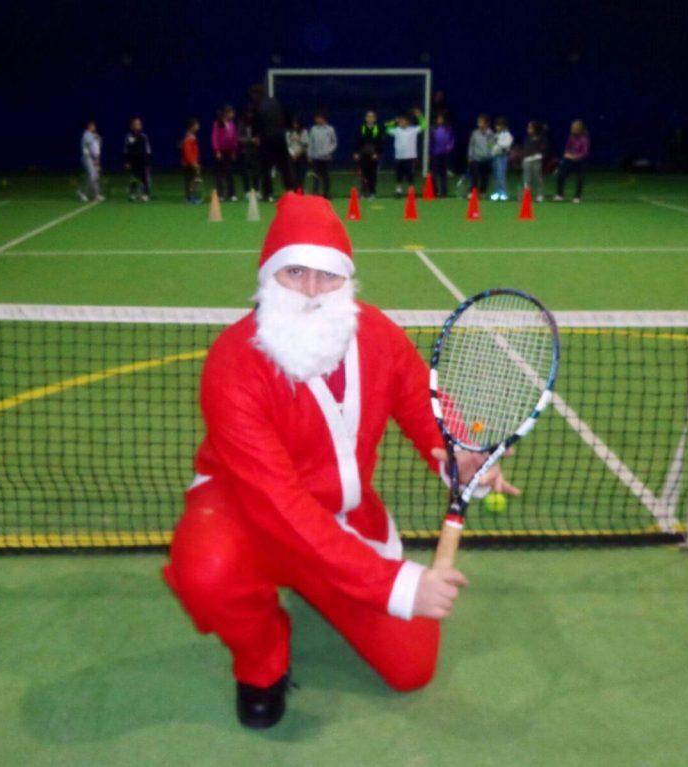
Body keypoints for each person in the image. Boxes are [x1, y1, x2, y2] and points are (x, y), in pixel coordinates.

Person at [163, 193, 518, 729]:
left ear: (347, 280)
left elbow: (425, 406)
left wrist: (459, 454)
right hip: (245, 514)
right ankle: (262, 658)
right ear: (267, 276)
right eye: (295, 272)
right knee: (207, 572)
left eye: (327, 275)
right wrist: (395, 585)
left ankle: (323, 583)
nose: (310, 290)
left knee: (411, 667)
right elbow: (277, 503)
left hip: (341, 515)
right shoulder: (232, 364)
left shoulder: (376, 333)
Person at [249, 84, 293, 201]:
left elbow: (256, 123)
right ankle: (290, 190)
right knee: (285, 167)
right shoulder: (276, 102)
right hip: (280, 138)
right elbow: (287, 116)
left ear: (255, 94)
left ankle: (268, 194)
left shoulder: (258, 106)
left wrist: (256, 136)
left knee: (266, 168)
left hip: (267, 139)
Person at [385, 108, 427, 197]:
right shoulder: (396, 130)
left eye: (403, 121)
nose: (401, 123)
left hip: (410, 157)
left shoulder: (413, 130)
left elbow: (424, 125)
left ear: (407, 122)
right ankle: (398, 190)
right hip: (399, 157)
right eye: (400, 121)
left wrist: (419, 116)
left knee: (410, 175)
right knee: (399, 175)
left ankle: (411, 190)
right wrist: (394, 121)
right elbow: (387, 129)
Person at [554, 119, 590, 203]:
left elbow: (585, 153)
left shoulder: (584, 139)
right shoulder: (571, 137)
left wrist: (574, 156)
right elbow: (567, 149)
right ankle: (559, 195)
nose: (572, 128)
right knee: (561, 174)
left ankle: (577, 196)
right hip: (569, 161)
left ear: (579, 128)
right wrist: (567, 154)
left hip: (580, 162)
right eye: (572, 127)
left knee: (580, 178)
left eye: (574, 127)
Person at [353, 110, 383, 198]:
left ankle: (372, 192)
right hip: (363, 154)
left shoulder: (378, 128)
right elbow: (357, 141)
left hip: (374, 155)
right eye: (368, 116)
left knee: (373, 174)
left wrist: (377, 153)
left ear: (375, 119)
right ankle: (363, 192)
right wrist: (356, 152)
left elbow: (381, 142)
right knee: (363, 173)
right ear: (365, 118)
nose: (370, 118)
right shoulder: (361, 127)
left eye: (372, 116)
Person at [307, 111, 337, 198]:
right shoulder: (313, 129)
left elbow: (334, 142)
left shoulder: (330, 129)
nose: (317, 120)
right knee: (315, 175)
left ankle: (326, 193)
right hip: (316, 157)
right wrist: (309, 155)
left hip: (326, 157)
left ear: (323, 119)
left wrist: (329, 151)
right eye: (316, 118)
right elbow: (310, 143)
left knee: (326, 176)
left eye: (319, 118)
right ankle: (315, 193)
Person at [212, 105, 239, 202]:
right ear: (226, 113)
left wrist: (234, 151)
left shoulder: (232, 124)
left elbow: (234, 138)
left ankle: (231, 194)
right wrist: (217, 150)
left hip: (229, 152)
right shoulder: (217, 124)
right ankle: (220, 194)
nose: (233, 114)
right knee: (220, 174)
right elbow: (214, 138)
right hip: (220, 153)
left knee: (229, 173)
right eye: (231, 112)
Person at [124, 117, 152, 202]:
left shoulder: (144, 137)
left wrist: (148, 162)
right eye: (135, 124)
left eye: (139, 124)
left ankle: (145, 194)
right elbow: (126, 150)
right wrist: (127, 162)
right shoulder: (129, 137)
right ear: (132, 126)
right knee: (133, 178)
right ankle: (133, 194)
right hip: (133, 161)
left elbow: (148, 150)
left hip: (143, 161)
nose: (137, 126)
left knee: (144, 178)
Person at [78, 120, 105, 203]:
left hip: (94, 158)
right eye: (92, 126)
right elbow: (90, 148)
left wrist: (97, 159)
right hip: (88, 158)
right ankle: (83, 193)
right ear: (89, 126)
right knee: (92, 176)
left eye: (94, 126)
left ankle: (96, 195)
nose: (94, 127)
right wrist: (94, 159)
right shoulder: (86, 135)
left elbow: (98, 148)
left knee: (95, 176)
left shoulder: (95, 136)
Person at [467, 114, 494, 196]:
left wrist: (490, 155)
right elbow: (471, 145)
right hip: (475, 159)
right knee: (474, 177)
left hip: (486, 159)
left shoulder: (490, 133)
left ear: (486, 124)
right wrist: (470, 156)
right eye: (478, 122)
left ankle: (483, 192)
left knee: (485, 177)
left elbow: (491, 146)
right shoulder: (475, 133)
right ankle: (473, 192)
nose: (479, 124)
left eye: (481, 122)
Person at [237, 108, 261, 198]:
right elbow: (239, 138)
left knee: (257, 172)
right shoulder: (242, 125)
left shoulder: (257, 125)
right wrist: (250, 140)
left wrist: (259, 140)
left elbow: (260, 135)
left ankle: (256, 190)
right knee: (245, 172)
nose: (250, 116)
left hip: (256, 151)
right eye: (249, 114)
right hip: (245, 151)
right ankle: (247, 191)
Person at [521, 120, 547, 202]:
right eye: (528, 128)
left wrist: (538, 155)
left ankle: (540, 195)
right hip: (527, 161)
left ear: (535, 129)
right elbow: (525, 149)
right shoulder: (527, 139)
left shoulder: (541, 139)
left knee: (537, 178)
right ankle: (527, 195)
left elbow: (544, 149)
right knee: (527, 178)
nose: (528, 129)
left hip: (536, 160)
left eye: (530, 128)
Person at [430, 113, 454, 198]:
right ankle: (435, 191)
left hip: (444, 155)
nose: (439, 120)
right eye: (438, 118)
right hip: (435, 154)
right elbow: (431, 141)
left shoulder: (448, 129)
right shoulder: (433, 129)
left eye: (441, 118)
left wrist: (450, 146)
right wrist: (432, 152)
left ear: (444, 119)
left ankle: (444, 192)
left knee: (443, 174)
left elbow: (452, 140)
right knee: (434, 174)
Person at [490, 117, 513, 201]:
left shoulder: (507, 134)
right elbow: (491, 144)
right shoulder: (496, 134)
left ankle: (503, 193)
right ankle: (497, 192)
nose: (497, 127)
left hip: (502, 156)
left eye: (499, 125)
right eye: (496, 125)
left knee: (501, 175)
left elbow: (506, 145)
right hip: (495, 156)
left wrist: (497, 143)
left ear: (504, 126)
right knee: (495, 175)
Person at [181, 118, 201, 204]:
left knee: (192, 180)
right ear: (191, 127)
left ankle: (192, 196)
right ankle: (190, 198)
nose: (198, 126)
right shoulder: (188, 138)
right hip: (189, 164)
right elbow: (188, 152)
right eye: (196, 125)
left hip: (192, 163)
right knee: (190, 181)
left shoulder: (192, 137)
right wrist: (193, 162)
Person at [286, 116, 309, 192]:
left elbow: (306, 144)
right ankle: (294, 191)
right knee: (293, 175)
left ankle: (301, 191)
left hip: (301, 156)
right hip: (291, 157)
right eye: (293, 123)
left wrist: (299, 139)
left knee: (301, 175)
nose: (295, 125)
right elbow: (287, 145)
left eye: (296, 123)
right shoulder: (288, 132)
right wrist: (292, 154)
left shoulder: (304, 132)